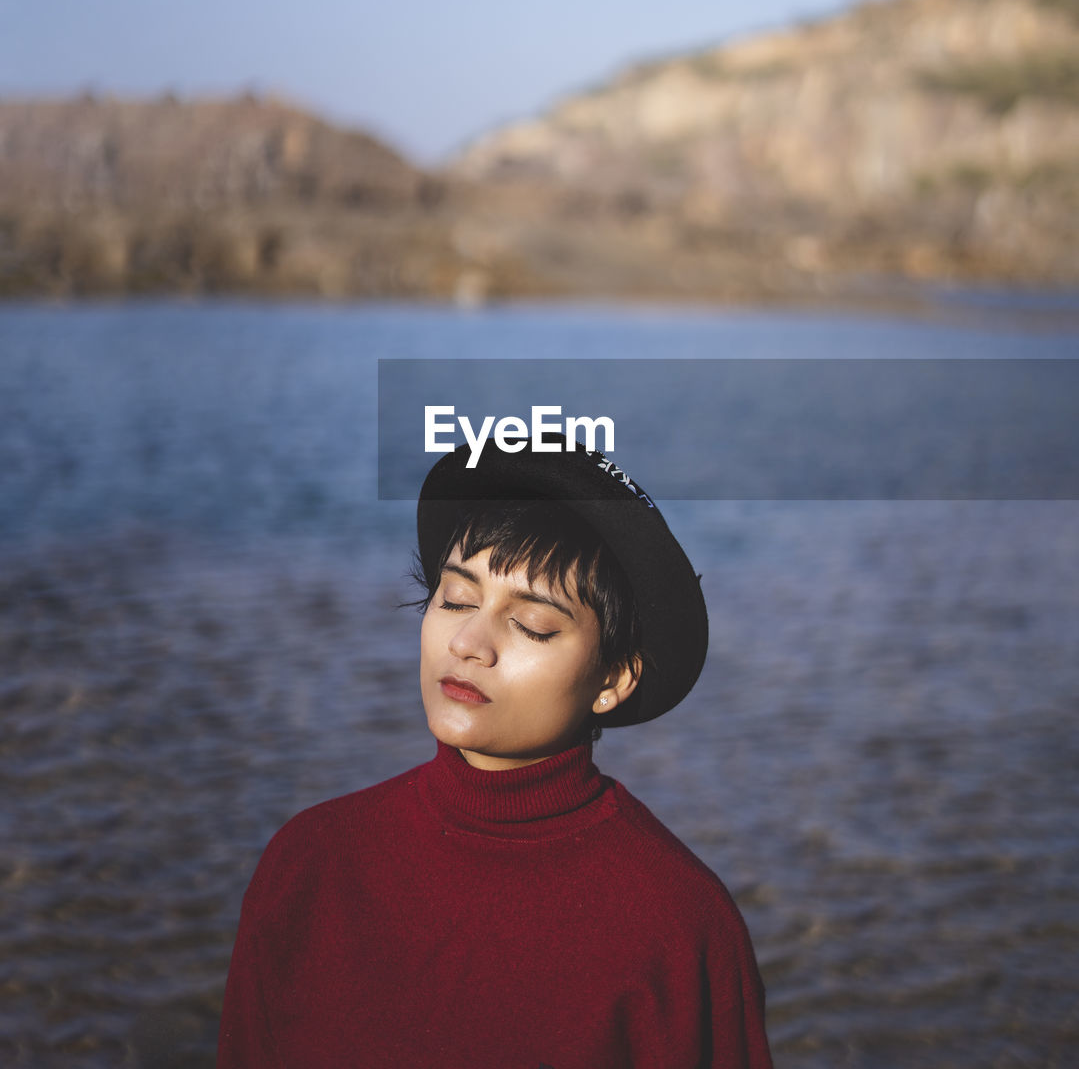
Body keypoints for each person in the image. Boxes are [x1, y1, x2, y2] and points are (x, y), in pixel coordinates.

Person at [218, 438, 774, 1068]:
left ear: (614, 679)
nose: (469, 642)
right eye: (456, 599)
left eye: (532, 625)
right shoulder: (311, 861)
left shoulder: (679, 926)